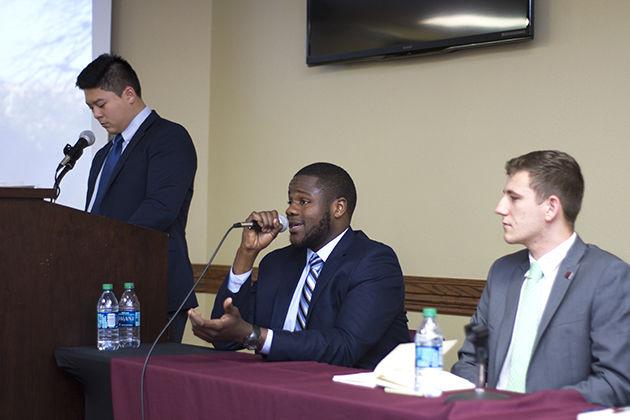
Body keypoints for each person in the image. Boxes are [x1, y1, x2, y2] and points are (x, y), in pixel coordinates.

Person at [451, 150, 630, 407]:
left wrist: (529, 408)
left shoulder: (608, 276)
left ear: (551, 207)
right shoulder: (501, 272)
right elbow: (470, 360)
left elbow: (616, 382)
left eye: (513, 198)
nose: (500, 208)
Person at [188, 162, 409, 369]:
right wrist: (246, 253)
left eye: (303, 201)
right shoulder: (276, 263)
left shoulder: (373, 262)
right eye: (290, 201)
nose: (290, 210)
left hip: (349, 396)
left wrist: (255, 335)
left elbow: (345, 347)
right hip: (278, 387)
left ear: (338, 208)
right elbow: (226, 341)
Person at [76, 54, 197, 342]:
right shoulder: (104, 155)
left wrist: (104, 241)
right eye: (90, 107)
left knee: (145, 384)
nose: (96, 114)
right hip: (105, 288)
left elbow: (161, 208)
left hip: (152, 287)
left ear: (129, 94)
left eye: (100, 104)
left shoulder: (169, 138)